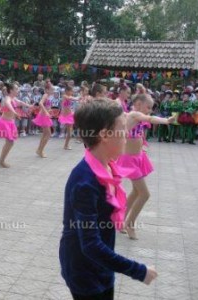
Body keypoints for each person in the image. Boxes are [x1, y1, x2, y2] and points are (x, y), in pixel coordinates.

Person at [59, 99, 158, 300]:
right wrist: (138, 270)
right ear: (104, 135)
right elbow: (90, 244)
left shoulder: (106, 165)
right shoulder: (84, 181)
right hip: (83, 270)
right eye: (123, 129)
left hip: (101, 263)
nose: (127, 135)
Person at [118, 92, 175, 240]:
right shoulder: (134, 114)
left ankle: (120, 220)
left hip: (137, 157)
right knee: (145, 194)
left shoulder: (134, 114)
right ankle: (129, 223)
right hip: (129, 160)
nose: (149, 110)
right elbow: (150, 118)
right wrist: (166, 120)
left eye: (151, 107)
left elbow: (144, 123)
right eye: (148, 107)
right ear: (137, 104)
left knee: (136, 192)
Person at [0, 82, 32, 168]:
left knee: (9, 142)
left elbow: (20, 102)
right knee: (10, 142)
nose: (18, 90)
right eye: (16, 89)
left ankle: (1, 160)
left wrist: (29, 105)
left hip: (10, 122)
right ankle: (1, 160)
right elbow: (8, 105)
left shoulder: (14, 98)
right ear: (11, 90)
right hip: (4, 123)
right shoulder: (7, 98)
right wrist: (15, 113)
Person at [33, 84, 54, 158]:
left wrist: (49, 110)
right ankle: (40, 150)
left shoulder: (49, 96)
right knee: (48, 134)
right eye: (52, 89)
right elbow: (40, 103)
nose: (53, 91)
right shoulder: (45, 95)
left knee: (45, 134)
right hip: (43, 116)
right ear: (47, 90)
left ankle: (39, 150)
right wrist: (46, 112)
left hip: (45, 116)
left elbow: (46, 106)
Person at [59, 84, 78, 150]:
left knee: (70, 132)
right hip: (65, 116)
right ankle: (66, 145)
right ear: (67, 91)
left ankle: (66, 145)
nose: (72, 92)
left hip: (69, 115)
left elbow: (68, 106)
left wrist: (72, 111)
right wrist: (77, 98)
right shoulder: (64, 96)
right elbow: (70, 98)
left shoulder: (69, 96)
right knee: (69, 132)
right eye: (71, 91)